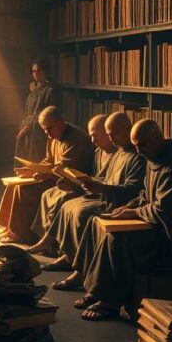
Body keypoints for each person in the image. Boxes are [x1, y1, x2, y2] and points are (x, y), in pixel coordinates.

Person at [78, 118, 172, 321]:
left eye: (142, 145)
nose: (139, 152)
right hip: (159, 227)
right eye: (136, 146)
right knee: (104, 226)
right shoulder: (155, 156)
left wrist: (135, 212)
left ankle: (109, 302)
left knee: (119, 240)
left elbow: (166, 209)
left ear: (157, 137)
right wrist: (131, 205)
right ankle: (97, 290)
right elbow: (146, 193)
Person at [25, 111, 146, 292]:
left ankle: (81, 270)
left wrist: (101, 188)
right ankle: (70, 256)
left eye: (113, 134)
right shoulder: (118, 152)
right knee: (67, 206)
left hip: (116, 201)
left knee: (81, 212)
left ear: (127, 129)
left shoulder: (137, 156)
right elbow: (101, 178)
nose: (111, 139)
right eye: (109, 135)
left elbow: (132, 191)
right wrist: (78, 184)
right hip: (103, 194)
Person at [0, 106, 94, 244]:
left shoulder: (75, 139)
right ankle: (10, 226)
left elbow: (67, 169)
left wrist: (45, 174)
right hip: (53, 175)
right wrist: (32, 169)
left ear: (61, 121)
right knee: (13, 185)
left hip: (69, 181)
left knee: (24, 190)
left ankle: (21, 233)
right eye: (44, 129)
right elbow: (48, 160)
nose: (47, 133)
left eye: (50, 128)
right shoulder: (53, 136)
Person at [15, 58, 55, 164]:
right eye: (34, 71)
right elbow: (27, 109)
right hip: (27, 128)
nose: (36, 74)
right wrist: (23, 126)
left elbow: (44, 112)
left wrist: (28, 127)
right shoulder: (34, 88)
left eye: (39, 71)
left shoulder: (50, 90)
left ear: (45, 71)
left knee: (36, 159)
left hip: (38, 131)